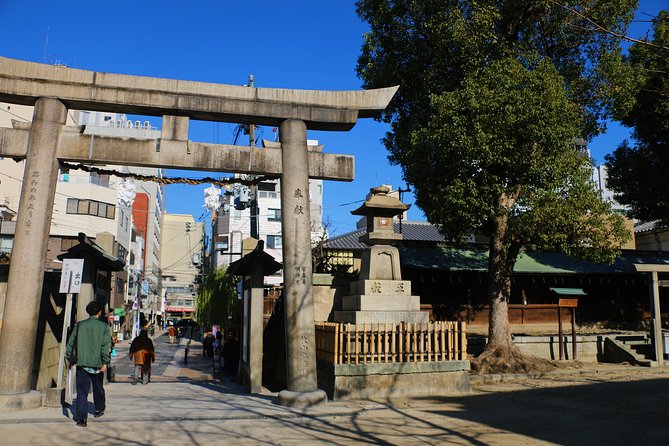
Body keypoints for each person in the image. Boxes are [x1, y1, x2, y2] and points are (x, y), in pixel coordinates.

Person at [66, 300, 111, 428]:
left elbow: (71, 343)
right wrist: (105, 362)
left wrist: (69, 358)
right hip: (97, 363)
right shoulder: (103, 327)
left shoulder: (79, 325)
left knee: (82, 392)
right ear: (99, 312)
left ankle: (81, 419)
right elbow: (105, 346)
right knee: (98, 388)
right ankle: (99, 409)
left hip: (82, 363)